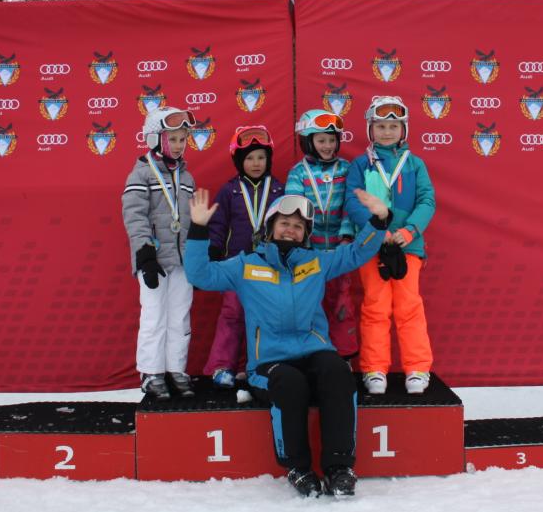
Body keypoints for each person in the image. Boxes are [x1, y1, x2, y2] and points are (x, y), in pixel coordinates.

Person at [184, 188, 391, 497]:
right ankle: (298, 467)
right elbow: (199, 274)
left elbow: (357, 253)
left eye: (297, 226)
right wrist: (199, 228)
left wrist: (379, 220)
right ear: (270, 227)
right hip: (269, 363)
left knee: (337, 370)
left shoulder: (316, 262)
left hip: (314, 351)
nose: (290, 230)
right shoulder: (245, 265)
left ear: (305, 234)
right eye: (284, 223)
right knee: (289, 382)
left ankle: (339, 468)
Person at [344, 95, 435, 395]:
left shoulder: (415, 164)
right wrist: (376, 231)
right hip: (373, 247)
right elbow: (353, 202)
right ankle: (374, 369)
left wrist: (409, 231)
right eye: (380, 126)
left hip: (408, 248)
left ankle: (417, 368)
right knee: (375, 307)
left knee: (409, 307)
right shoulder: (361, 165)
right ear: (370, 129)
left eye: (393, 126)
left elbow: (427, 201)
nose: (386, 132)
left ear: (403, 129)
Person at [121, 107, 198, 400]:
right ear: (155, 139)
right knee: (154, 316)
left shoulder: (187, 177)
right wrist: (145, 254)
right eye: (172, 139)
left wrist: (197, 256)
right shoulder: (141, 173)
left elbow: (190, 220)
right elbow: (134, 215)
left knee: (180, 316)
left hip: (182, 261)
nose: (179, 145)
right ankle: (151, 372)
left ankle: (175, 369)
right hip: (154, 260)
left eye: (182, 139)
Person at [203, 125, 284, 388]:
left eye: (261, 157)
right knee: (232, 314)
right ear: (239, 161)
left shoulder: (278, 190)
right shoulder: (229, 191)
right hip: (236, 266)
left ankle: (259, 366)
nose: (256, 163)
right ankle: (222, 366)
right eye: (249, 158)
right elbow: (218, 225)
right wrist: (214, 251)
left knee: (264, 318)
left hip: (269, 266)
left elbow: (287, 226)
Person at [284, 109, 359, 360]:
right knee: (310, 305)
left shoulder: (346, 169)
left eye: (332, 140)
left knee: (341, 304)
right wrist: (302, 244)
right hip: (310, 252)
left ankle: (344, 358)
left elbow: (351, 205)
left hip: (340, 251)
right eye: (321, 140)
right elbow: (295, 211)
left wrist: (346, 237)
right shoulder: (298, 172)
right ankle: (314, 356)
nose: (328, 146)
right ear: (308, 141)